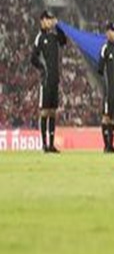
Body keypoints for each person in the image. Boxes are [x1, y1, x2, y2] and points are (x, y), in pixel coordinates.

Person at [30, 9, 66, 153]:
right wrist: (42, 68)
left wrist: (58, 26)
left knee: (52, 112)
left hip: (54, 80)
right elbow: (33, 58)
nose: (50, 22)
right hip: (45, 80)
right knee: (44, 112)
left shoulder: (53, 36)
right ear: (42, 20)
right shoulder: (39, 37)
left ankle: (51, 144)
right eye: (48, 19)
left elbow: (64, 41)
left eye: (51, 19)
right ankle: (44, 144)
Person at [98, 20, 114, 153]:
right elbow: (99, 69)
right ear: (107, 33)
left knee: (113, 117)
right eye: (112, 31)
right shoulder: (105, 49)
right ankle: (106, 145)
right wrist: (106, 84)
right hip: (108, 89)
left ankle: (111, 145)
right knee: (106, 116)